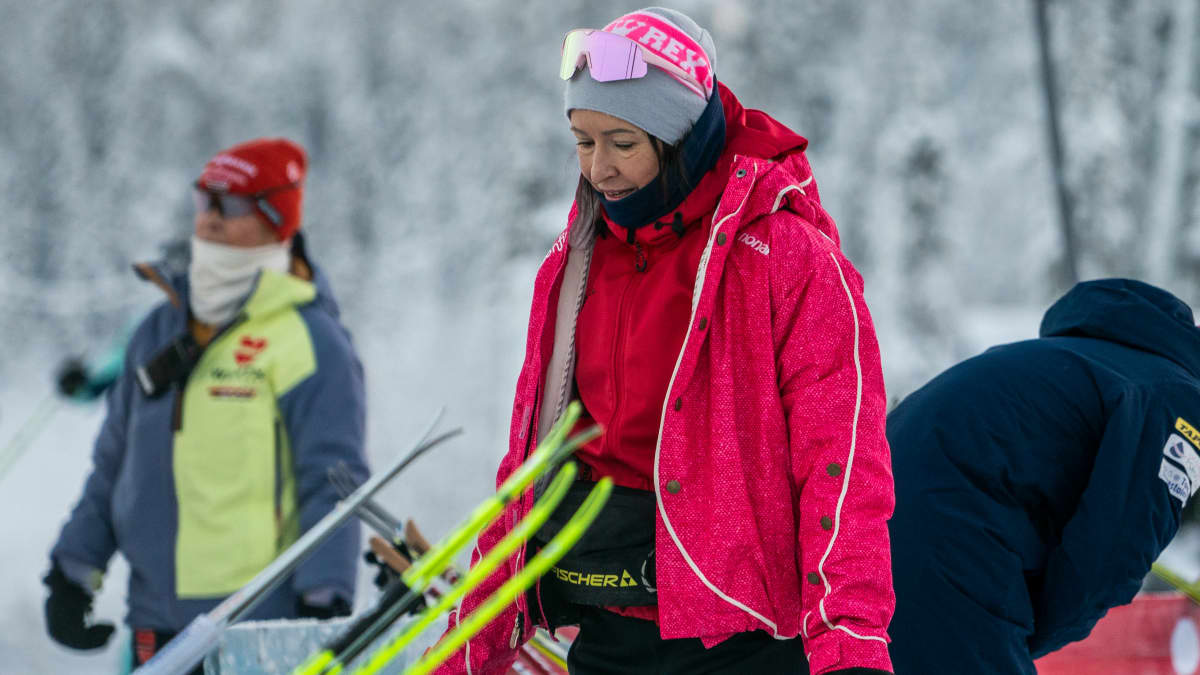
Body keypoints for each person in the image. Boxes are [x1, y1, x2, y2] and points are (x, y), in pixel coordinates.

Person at [435, 8, 895, 675]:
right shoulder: (576, 262)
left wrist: (849, 645)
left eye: (622, 141)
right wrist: (468, 649)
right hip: (606, 627)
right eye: (582, 141)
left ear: (681, 133)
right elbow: (529, 466)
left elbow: (842, 461)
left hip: (744, 644)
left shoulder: (782, 254)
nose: (599, 168)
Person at [42, 138, 369, 671]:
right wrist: (73, 571)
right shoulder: (156, 331)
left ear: (274, 218)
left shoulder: (310, 339)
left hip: (256, 636)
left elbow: (332, 479)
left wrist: (325, 600)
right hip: (152, 630)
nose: (212, 219)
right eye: (204, 202)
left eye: (233, 205)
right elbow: (112, 467)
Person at [886, 278, 1200, 674]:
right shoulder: (1176, 396)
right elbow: (1114, 551)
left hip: (864, 520)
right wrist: (1024, 638)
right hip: (951, 534)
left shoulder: (1083, 363)